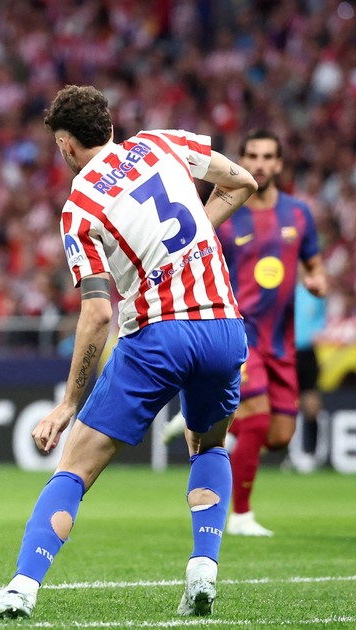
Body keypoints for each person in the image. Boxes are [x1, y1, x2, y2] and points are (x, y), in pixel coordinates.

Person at [0, 85, 257, 620]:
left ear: (65, 145)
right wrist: (191, 245)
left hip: (159, 335)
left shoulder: (80, 207)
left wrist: (68, 404)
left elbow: (96, 314)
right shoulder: (159, 143)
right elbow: (243, 182)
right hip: (224, 329)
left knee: (75, 465)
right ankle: (202, 571)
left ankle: (21, 589)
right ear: (111, 127)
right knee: (208, 446)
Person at [213, 130, 327, 535]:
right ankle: (240, 516)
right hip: (240, 334)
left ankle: (207, 424)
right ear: (241, 161)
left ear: (278, 164)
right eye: (252, 156)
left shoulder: (299, 214)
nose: (259, 164)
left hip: (282, 342)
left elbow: (314, 264)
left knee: (279, 436)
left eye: (267, 157)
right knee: (258, 420)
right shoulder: (225, 213)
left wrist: (317, 281)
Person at [293, 281, 328, 472]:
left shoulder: (315, 291)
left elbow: (321, 321)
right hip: (283, 350)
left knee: (311, 403)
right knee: (278, 402)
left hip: (306, 351)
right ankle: (282, 452)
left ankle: (311, 453)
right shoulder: (281, 287)